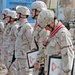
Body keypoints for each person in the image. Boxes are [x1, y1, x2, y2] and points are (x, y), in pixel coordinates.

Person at [37, 9, 74, 75]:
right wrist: (45, 45)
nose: (45, 29)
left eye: (46, 26)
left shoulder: (63, 34)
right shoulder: (53, 33)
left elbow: (68, 60)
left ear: (51, 22)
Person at [31, 1, 50, 75]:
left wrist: (39, 62)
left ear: (38, 11)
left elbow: (42, 46)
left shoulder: (44, 27)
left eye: (33, 10)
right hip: (35, 59)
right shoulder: (37, 26)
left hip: (40, 63)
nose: (31, 12)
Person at [14, 5, 33, 75]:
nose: (16, 15)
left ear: (22, 14)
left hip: (25, 58)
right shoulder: (20, 26)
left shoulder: (27, 27)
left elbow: (32, 42)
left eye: (17, 13)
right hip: (19, 56)